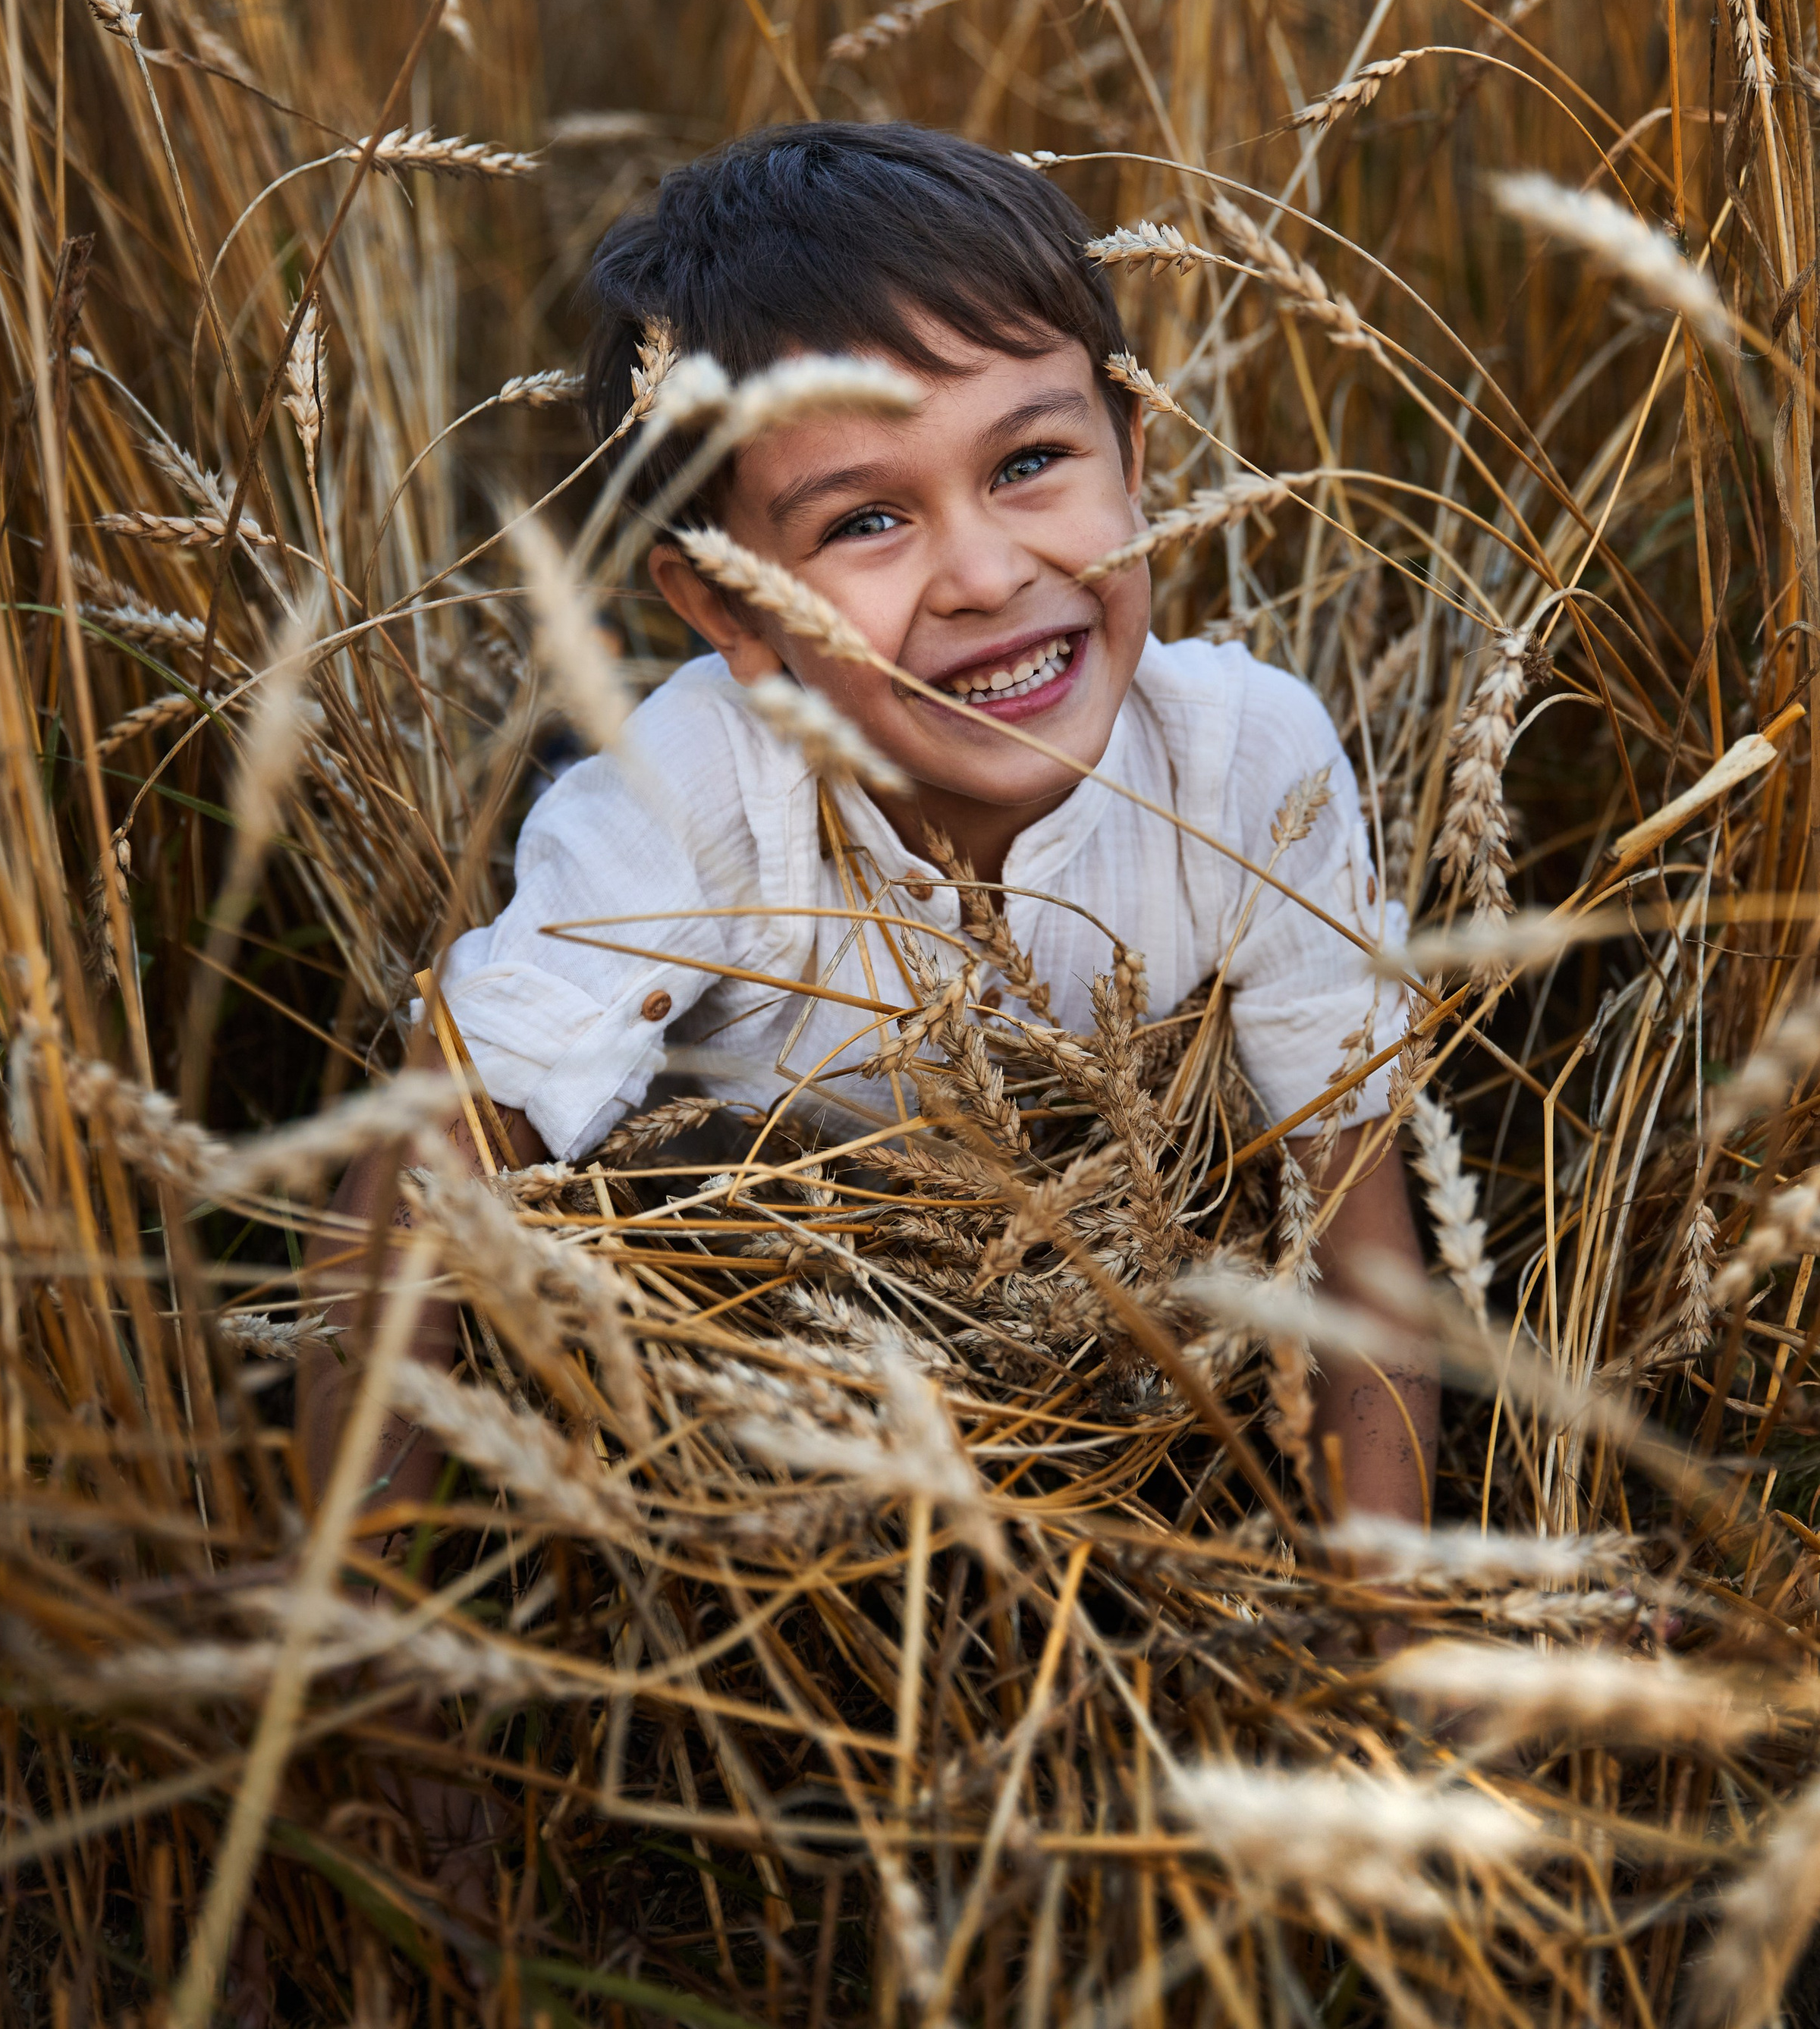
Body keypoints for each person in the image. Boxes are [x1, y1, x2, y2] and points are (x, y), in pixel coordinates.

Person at [299, 115, 1438, 1786]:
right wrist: (369, 1679)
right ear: (731, 611)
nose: (987, 574)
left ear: (1135, 447)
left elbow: (1355, 1222)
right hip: (752, 1435)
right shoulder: (688, 800)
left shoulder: (1241, 766)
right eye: (862, 525)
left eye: (1030, 463)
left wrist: (1390, 1645)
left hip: (1089, 1410)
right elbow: (419, 1184)